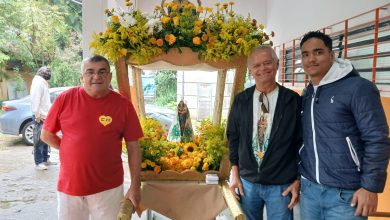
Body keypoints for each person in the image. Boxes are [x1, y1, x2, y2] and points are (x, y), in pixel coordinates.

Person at [299, 31, 390, 219]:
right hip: (309, 191)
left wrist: (370, 187)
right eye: (305, 54)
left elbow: (377, 139)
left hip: (347, 195)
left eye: (318, 52)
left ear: (332, 55)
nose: (311, 59)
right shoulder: (308, 93)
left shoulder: (358, 88)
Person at [40, 55, 143, 219]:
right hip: (69, 187)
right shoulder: (65, 99)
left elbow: (133, 147)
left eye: (102, 72)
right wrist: (70, 149)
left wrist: (135, 187)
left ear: (109, 76)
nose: (96, 76)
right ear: (82, 77)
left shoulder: (123, 105)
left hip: (108, 188)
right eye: (90, 72)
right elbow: (46, 135)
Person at [226, 45, 301, 220]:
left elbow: (301, 141)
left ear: (277, 64)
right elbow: (233, 137)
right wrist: (235, 173)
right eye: (256, 65)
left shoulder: (293, 100)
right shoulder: (241, 100)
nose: (262, 69)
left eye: (267, 63)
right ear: (250, 70)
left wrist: (298, 179)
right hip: (247, 183)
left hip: (281, 184)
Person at [30, 66, 57, 170]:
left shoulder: (42, 82)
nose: (48, 75)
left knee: (45, 139)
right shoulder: (38, 83)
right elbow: (35, 100)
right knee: (39, 140)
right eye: (48, 73)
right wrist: (37, 115)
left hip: (45, 115)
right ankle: (39, 162)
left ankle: (45, 159)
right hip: (40, 116)